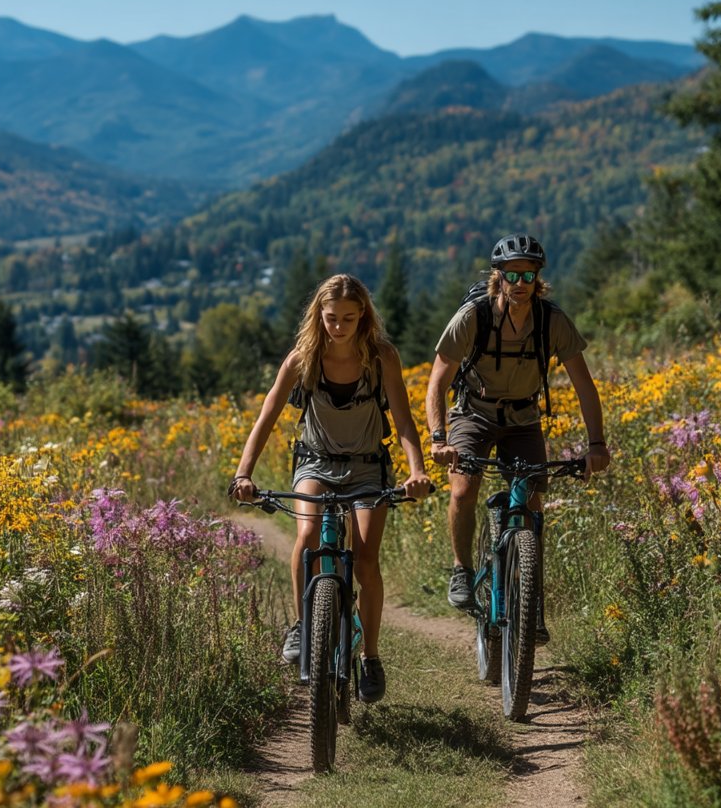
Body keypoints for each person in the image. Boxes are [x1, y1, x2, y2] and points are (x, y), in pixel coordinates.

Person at [231, 274, 432, 703]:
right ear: (318, 317)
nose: (339, 327)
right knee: (306, 536)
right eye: (331, 319)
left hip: (366, 468)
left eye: (348, 319)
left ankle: (371, 658)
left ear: (364, 318)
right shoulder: (302, 360)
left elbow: (403, 421)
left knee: (365, 561)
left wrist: (416, 472)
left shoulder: (382, 357)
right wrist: (243, 474)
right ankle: (304, 626)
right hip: (315, 462)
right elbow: (265, 417)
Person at [424, 233, 611, 642]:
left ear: (538, 277)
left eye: (529, 274)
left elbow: (585, 385)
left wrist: (596, 444)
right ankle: (462, 570)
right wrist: (439, 438)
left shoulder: (552, 321)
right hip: (473, 413)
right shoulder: (474, 316)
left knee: (531, 501)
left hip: (523, 417)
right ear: (499, 277)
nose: (521, 282)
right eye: (512, 274)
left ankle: (530, 604)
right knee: (462, 489)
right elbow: (437, 380)